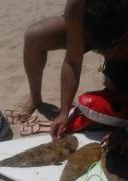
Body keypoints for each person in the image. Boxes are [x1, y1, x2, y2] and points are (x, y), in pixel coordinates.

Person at [22, 0, 128, 152]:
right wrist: (64, 112)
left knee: (115, 100)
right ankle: (35, 97)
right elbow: (73, 60)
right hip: (93, 27)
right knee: (35, 36)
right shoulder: (77, 5)